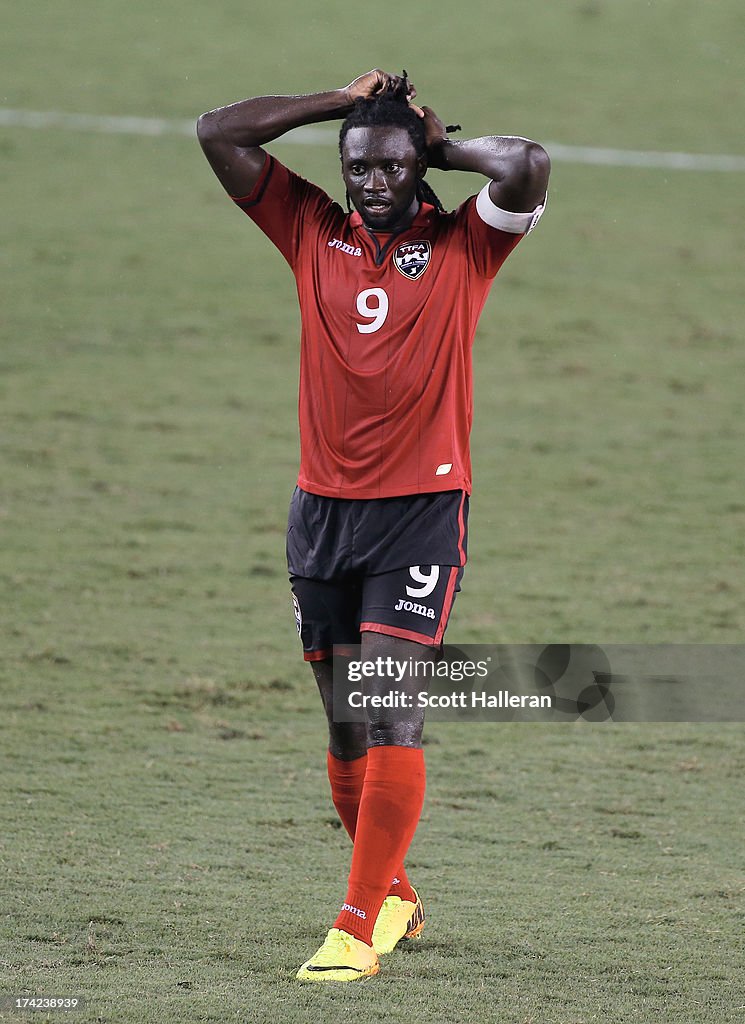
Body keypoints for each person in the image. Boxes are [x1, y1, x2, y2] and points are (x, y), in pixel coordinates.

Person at [197, 68, 549, 982]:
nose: (373, 183)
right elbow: (218, 133)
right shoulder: (309, 228)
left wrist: (438, 145)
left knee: (392, 709)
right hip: (320, 512)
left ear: (418, 168)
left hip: (421, 514)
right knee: (345, 723)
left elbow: (525, 163)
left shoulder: (467, 243)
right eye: (358, 167)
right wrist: (334, 106)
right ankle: (392, 891)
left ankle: (354, 928)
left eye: (392, 167)